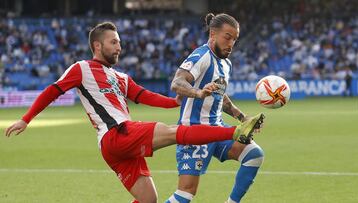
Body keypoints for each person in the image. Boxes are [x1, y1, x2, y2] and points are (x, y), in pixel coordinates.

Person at [4, 22, 264, 203]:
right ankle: (234, 131)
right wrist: (26, 119)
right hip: (116, 134)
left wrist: (177, 102)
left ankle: (232, 131)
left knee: (149, 199)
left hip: (118, 146)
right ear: (97, 45)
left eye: (120, 42)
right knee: (175, 132)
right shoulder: (81, 68)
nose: (119, 47)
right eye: (113, 42)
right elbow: (53, 90)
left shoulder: (120, 77)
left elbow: (144, 96)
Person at [166, 13, 265, 203]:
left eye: (234, 39)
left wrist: (241, 117)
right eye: (227, 37)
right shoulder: (201, 56)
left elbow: (220, 96)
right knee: (185, 194)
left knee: (254, 154)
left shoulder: (225, 63)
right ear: (213, 34)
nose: (231, 44)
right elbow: (177, 82)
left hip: (217, 130)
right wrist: (198, 93)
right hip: (194, 132)